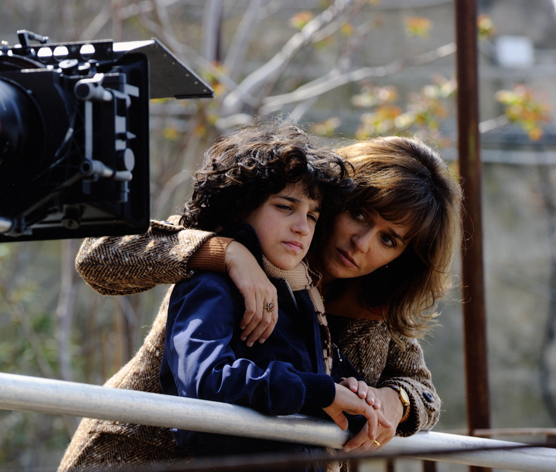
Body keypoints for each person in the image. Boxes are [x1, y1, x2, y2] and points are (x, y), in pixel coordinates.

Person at [59, 129, 461, 470]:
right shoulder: (253, 224)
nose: (361, 243)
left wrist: (396, 403)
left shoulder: (374, 312)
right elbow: (99, 254)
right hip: (139, 456)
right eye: (359, 214)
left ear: (402, 259)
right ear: (336, 196)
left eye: (388, 240)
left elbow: (423, 391)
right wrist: (225, 253)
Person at [157, 122, 391, 469]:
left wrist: (359, 399)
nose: (302, 226)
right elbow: (205, 381)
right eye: (285, 207)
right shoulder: (211, 284)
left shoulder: (300, 298)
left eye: (312, 215)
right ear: (240, 205)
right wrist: (319, 391)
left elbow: (324, 387)